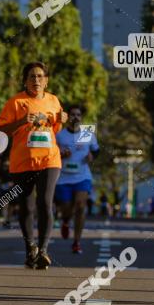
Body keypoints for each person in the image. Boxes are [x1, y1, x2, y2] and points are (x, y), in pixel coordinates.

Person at [0, 62, 66, 269]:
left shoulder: (54, 100)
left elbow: (56, 128)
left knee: (45, 202)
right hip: (22, 161)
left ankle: (43, 250)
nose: (36, 80)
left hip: (49, 159)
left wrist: (62, 118)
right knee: (26, 207)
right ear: (25, 80)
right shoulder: (16, 102)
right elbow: (1, 131)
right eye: (31, 77)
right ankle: (30, 249)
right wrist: (20, 122)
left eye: (40, 76)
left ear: (46, 80)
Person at [55, 105, 99, 254]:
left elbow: (95, 150)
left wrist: (91, 156)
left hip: (82, 176)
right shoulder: (60, 135)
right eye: (72, 114)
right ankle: (66, 221)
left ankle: (77, 242)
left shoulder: (87, 133)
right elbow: (53, 153)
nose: (76, 117)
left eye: (78, 115)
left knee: (80, 206)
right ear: (68, 117)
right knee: (66, 209)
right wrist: (61, 154)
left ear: (81, 118)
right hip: (64, 178)